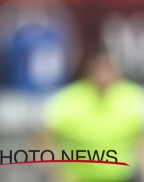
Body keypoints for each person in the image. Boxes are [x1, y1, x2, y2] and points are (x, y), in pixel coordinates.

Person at [43, 49, 144, 182]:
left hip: (124, 176)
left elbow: (141, 143)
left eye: (108, 69)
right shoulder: (68, 99)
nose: (104, 75)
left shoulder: (134, 97)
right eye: (99, 70)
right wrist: (56, 173)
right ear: (89, 71)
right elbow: (44, 139)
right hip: (77, 177)